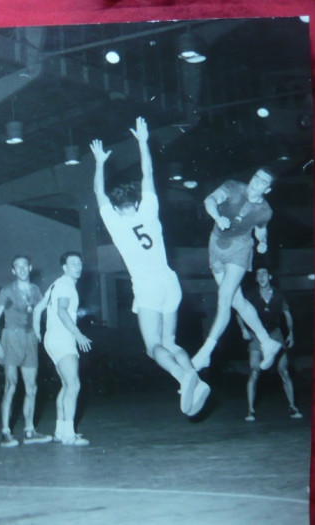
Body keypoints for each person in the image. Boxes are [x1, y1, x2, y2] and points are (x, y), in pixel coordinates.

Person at [89, 116, 210, 417]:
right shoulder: (150, 211)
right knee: (171, 341)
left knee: (153, 346)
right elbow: (148, 175)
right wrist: (143, 142)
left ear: (118, 208)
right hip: (170, 282)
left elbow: (98, 194)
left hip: (146, 285)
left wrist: (100, 162)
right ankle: (192, 376)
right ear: (136, 201)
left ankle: (184, 378)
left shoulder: (115, 224)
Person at [191, 168, 283, 372]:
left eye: (262, 182)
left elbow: (260, 229)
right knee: (237, 301)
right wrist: (217, 217)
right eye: (255, 177)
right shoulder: (233, 187)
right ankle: (267, 341)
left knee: (224, 297)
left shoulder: (265, 210)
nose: (255, 183)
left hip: (240, 247)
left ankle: (206, 352)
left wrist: (263, 242)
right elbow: (209, 200)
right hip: (216, 244)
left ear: (267, 190)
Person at [0, 255, 51, 447]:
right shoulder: (7, 291)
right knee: (11, 385)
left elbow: (42, 311)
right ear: (13, 271)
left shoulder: (35, 290)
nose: (22, 269)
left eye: (25, 265)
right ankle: (5, 432)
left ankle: (29, 430)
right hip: (11, 337)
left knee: (32, 387)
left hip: (30, 338)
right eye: (18, 266)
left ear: (30, 268)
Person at [33, 252, 91, 446]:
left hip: (53, 338)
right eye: (73, 263)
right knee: (74, 385)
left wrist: (38, 332)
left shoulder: (56, 283)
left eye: (79, 263)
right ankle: (68, 434)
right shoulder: (66, 285)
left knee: (67, 385)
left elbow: (38, 309)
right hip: (63, 337)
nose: (78, 266)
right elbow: (61, 310)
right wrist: (79, 335)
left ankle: (60, 431)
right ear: (64, 267)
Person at [236, 267, 303, 421]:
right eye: (258, 274)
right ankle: (250, 410)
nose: (261, 276)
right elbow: (239, 313)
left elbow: (288, 315)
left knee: (284, 371)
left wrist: (291, 333)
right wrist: (243, 330)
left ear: (270, 276)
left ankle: (293, 407)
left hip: (275, 334)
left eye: (264, 273)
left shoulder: (279, 295)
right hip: (256, 335)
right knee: (254, 371)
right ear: (256, 278)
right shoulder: (251, 294)